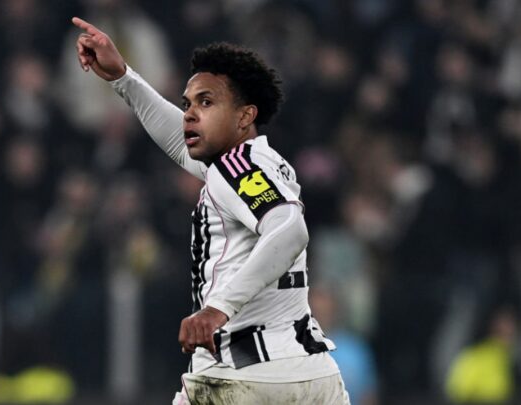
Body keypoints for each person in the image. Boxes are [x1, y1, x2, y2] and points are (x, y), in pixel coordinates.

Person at [71, 16, 349, 404]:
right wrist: (123, 78)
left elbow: (290, 229)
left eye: (206, 102)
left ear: (245, 116)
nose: (189, 113)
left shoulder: (235, 169)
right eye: (187, 103)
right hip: (312, 374)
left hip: (244, 375)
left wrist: (217, 309)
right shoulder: (265, 163)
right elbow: (178, 139)